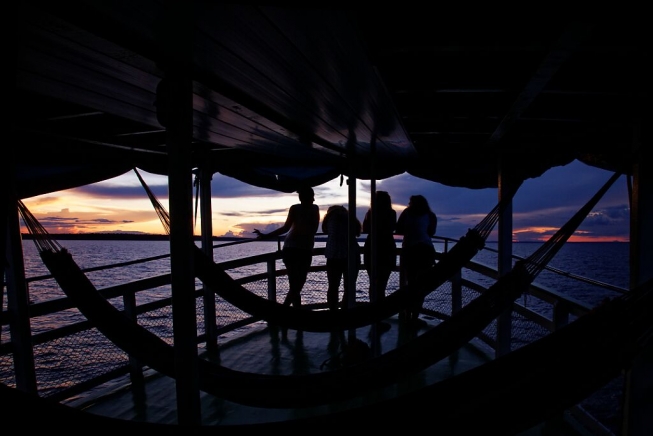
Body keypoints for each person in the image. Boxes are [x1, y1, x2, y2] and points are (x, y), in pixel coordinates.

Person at [254, 187, 320, 308]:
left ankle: (285, 314)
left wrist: (266, 236)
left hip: (299, 249)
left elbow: (287, 228)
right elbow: (289, 228)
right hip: (295, 249)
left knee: (296, 285)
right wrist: (266, 236)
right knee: (296, 285)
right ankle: (290, 315)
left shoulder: (307, 208)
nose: (312, 199)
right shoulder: (304, 209)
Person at [395, 194, 437, 327]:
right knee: (421, 285)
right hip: (426, 250)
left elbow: (398, 229)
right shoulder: (430, 215)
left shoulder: (406, 213)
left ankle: (407, 315)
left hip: (410, 251)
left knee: (410, 284)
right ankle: (414, 316)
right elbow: (431, 232)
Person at [321, 205, 361, 310]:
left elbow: (325, 230)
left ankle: (333, 313)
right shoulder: (350, 217)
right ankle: (345, 312)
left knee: (333, 288)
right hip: (351, 255)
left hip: (333, 255)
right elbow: (358, 232)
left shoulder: (329, 218)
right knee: (349, 288)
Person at [362, 190, 397, 303]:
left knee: (373, 281)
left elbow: (365, 228)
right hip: (387, 247)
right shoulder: (391, 213)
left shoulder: (370, 213)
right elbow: (393, 227)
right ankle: (379, 311)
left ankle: (373, 308)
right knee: (382, 283)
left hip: (372, 246)